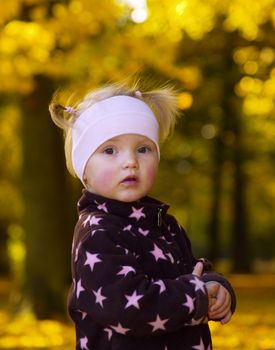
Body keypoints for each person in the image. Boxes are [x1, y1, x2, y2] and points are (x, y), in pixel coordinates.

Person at [49, 79, 236, 350]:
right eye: (109, 150)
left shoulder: (163, 224)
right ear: (83, 170)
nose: (130, 161)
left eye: (143, 149)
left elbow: (190, 272)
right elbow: (127, 305)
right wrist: (196, 296)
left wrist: (214, 286)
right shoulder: (98, 233)